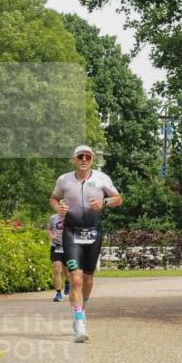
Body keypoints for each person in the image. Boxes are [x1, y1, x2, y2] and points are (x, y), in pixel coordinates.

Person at [50, 145, 122, 342]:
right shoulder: (64, 180)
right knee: (76, 280)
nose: (84, 159)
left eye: (88, 157)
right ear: (73, 159)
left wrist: (104, 203)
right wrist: (58, 208)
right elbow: (54, 199)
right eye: (80, 156)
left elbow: (118, 198)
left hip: (93, 233)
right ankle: (79, 322)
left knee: (88, 279)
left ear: (91, 160)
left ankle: (82, 309)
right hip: (71, 233)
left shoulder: (101, 178)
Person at [45, 213, 70, 302]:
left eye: (64, 207)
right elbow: (48, 228)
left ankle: (68, 282)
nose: (62, 209)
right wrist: (51, 236)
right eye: (60, 207)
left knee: (67, 271)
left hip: (68, 246)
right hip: (56, 246)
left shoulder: (72, 216)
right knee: (57, 269)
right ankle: (58, 293)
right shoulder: (53, 217)